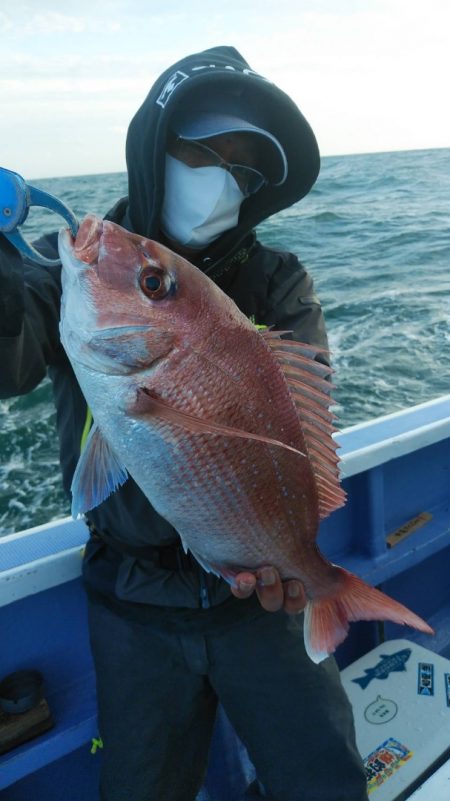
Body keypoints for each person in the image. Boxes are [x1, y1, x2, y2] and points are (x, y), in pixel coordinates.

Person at [0, 46, 368, 801]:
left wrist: (295, 560)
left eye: (245, 169)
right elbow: (12, 351)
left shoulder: (278, 281)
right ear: (155, 146)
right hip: (131, 603)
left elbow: (300, 432)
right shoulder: (77, 268)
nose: (222, 179)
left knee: (326, 780)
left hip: (259, 600)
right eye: (205, 151)